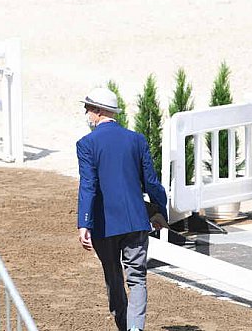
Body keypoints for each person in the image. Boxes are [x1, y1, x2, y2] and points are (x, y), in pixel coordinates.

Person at [77, 86, 168, 331]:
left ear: (98, 110)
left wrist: (84, 222)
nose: (86, 113)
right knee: (137, 278)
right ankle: (136, 328)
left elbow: (89, 185)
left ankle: (124, 325)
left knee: (113, 276)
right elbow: (151, 182)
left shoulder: (86, 144)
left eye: (88, 108)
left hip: (104, 223)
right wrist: (161, 211)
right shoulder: (136, 139)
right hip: (135, 220)